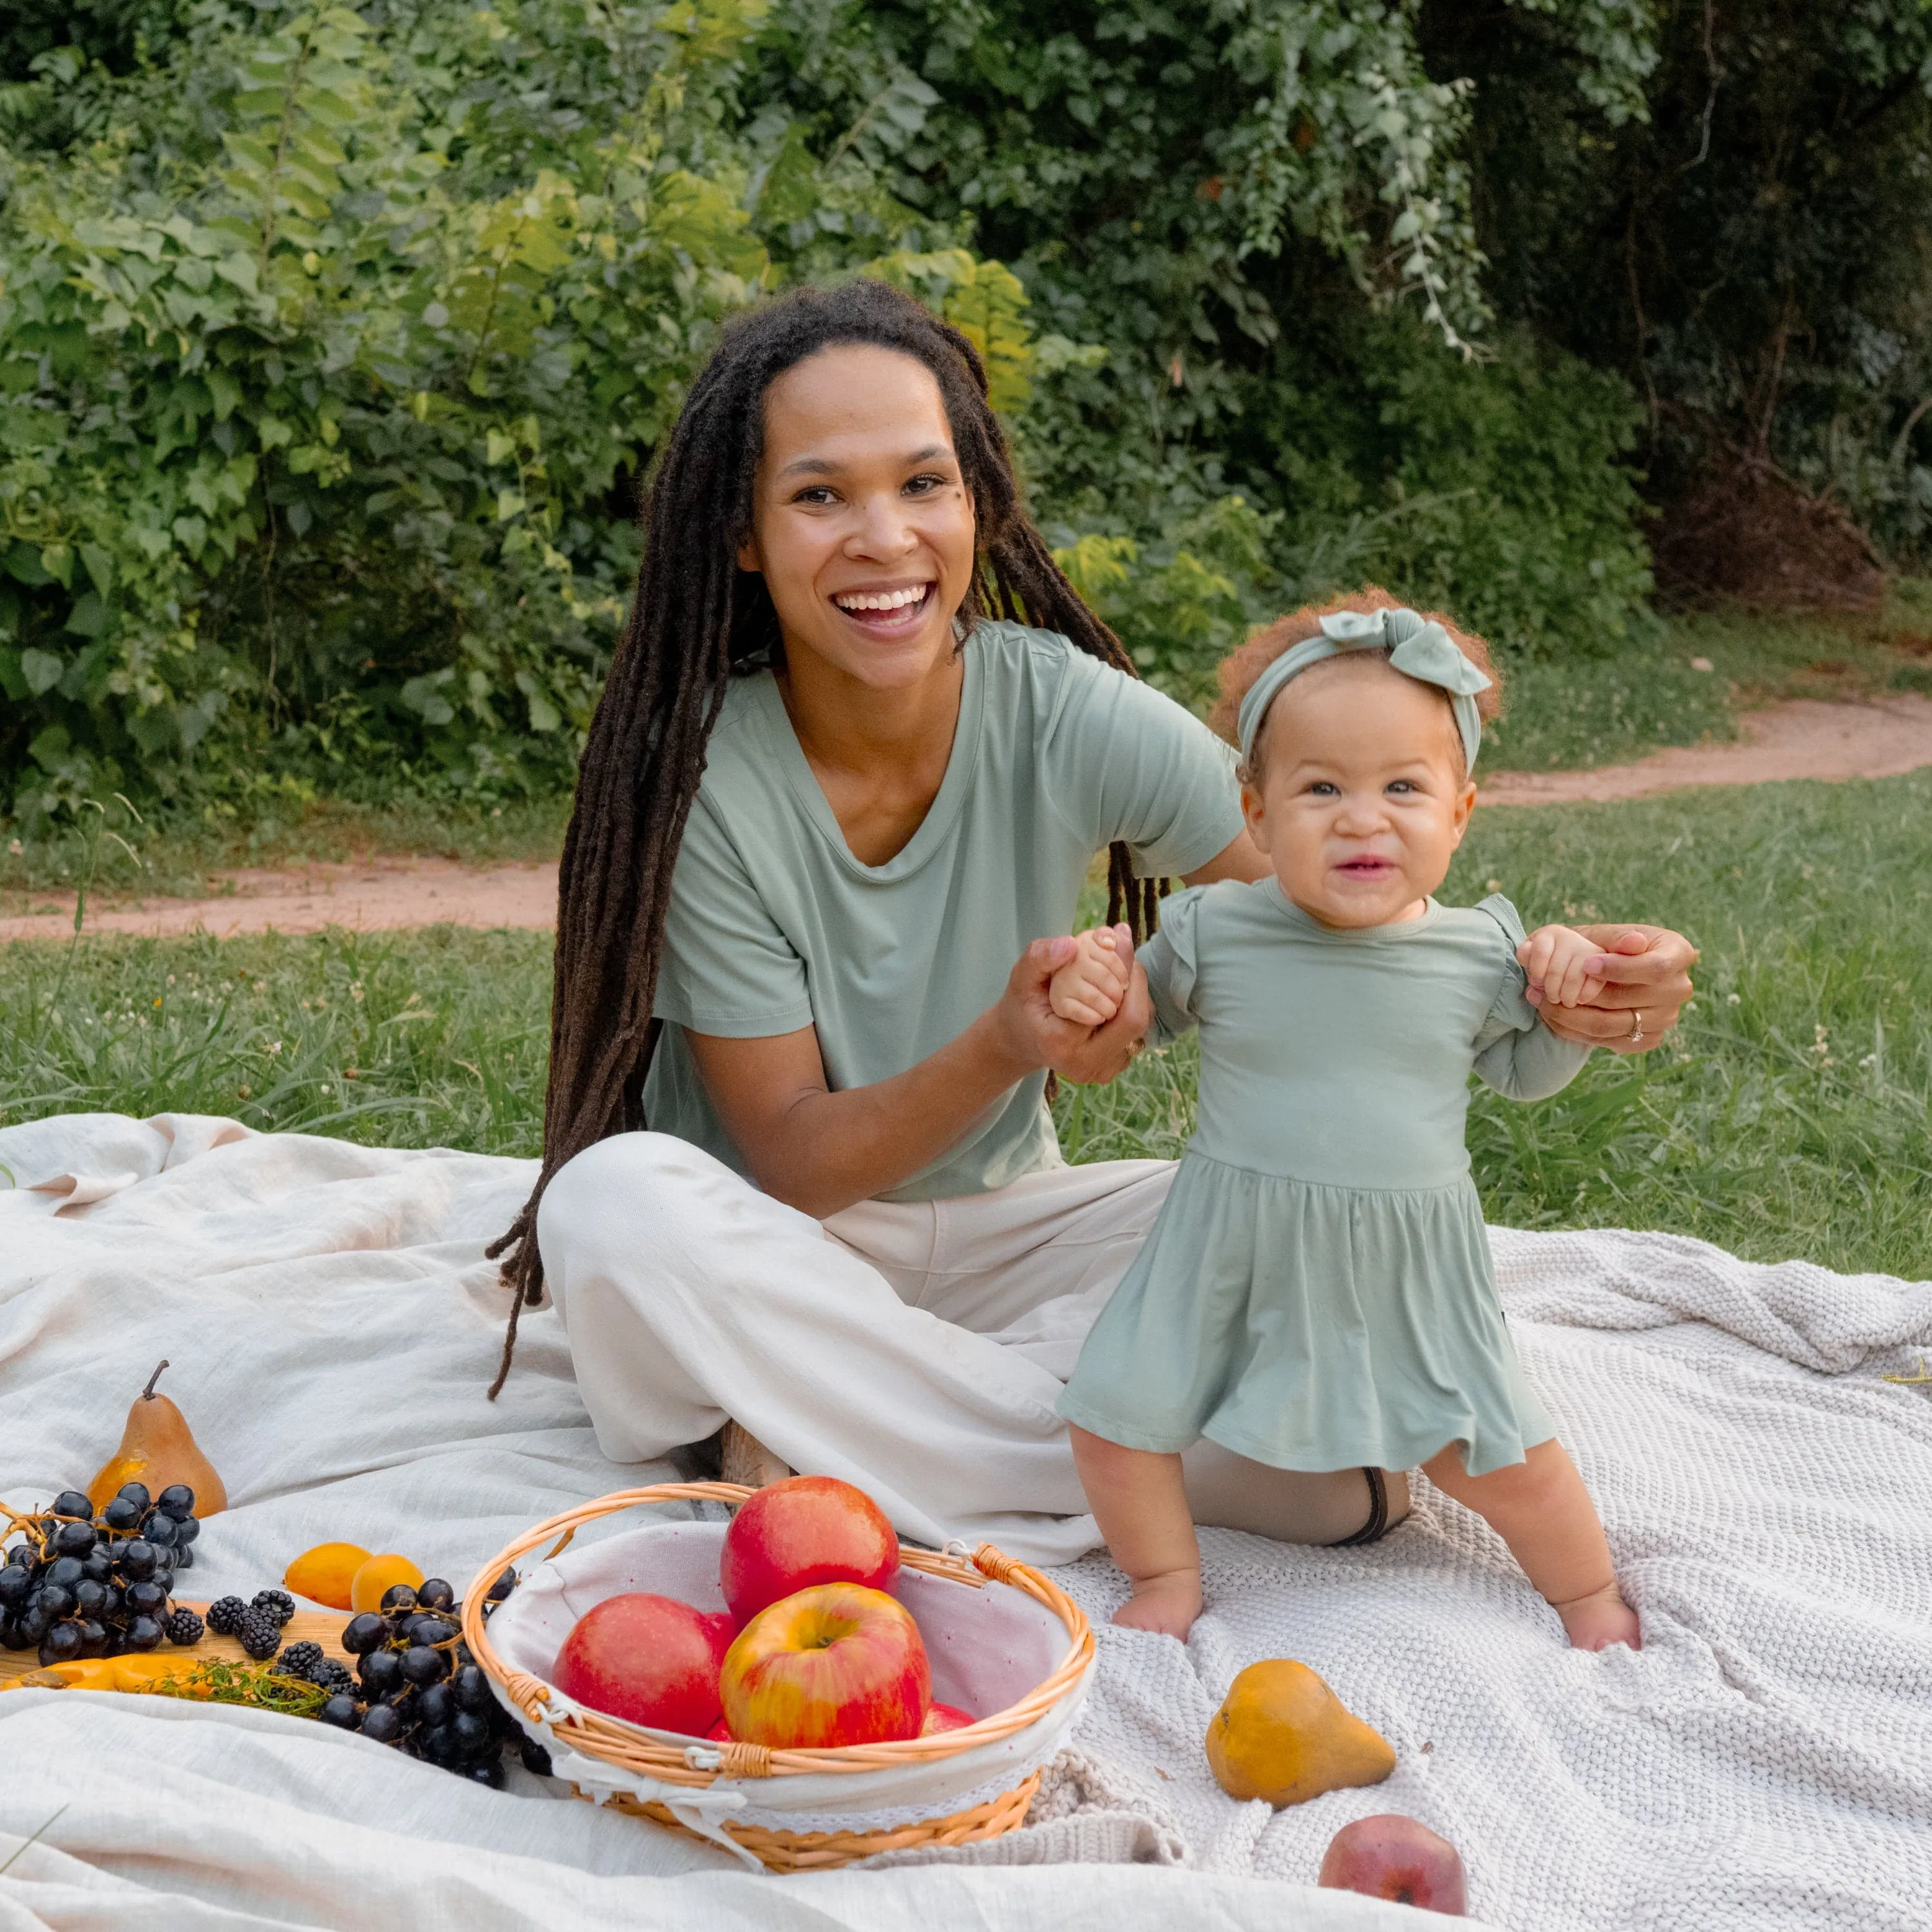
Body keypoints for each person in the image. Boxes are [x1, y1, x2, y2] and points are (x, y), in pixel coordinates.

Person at [489, 279, 1698, 1568]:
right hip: (774, 1245)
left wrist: (1556, 984)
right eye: (820, 494)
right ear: (742, 531)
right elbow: (789, 1157)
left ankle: (832, 1441)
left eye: (923, 484)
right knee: (611, 1205)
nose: (884, 538)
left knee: (1297, 1207)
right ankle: (1149, 1455)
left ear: (976, 504)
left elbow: (1340, 907)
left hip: (1014, 1232)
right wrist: (1008, 1042)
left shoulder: (1059, 708)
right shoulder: (706, 783)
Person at [1049, 594, 1641, 1648]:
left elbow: (1526, 1073)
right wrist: (1102, 979)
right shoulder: (1212, 928)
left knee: (1493, 1454)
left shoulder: (1478, 951)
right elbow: (1132, 1022)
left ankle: (1588, 1597)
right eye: (1321, 787)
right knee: (1113, 1417)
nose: (1363, 818)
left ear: (1460, 812)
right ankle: (1168, 1577)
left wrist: (1572, 1003)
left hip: (1407, 1260)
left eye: (1403, 788)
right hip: (1228, 1244)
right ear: (1258, 812)